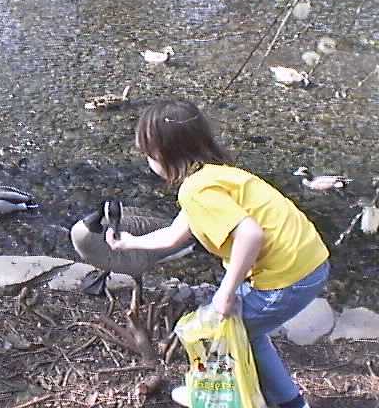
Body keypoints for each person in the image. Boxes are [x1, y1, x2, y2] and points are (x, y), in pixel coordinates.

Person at [105, 99, 330, 408]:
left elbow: (250, 234)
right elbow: (174, 234)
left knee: (218, 329)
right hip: (310, 262)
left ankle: (213, 394)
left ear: (164, 154)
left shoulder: (196, 191)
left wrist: (226, 292)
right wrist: (129, 243)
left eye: (148, 154)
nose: (148, 161)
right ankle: (288, 401)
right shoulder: (215, 175)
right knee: (246, 330)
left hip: (288, 277)